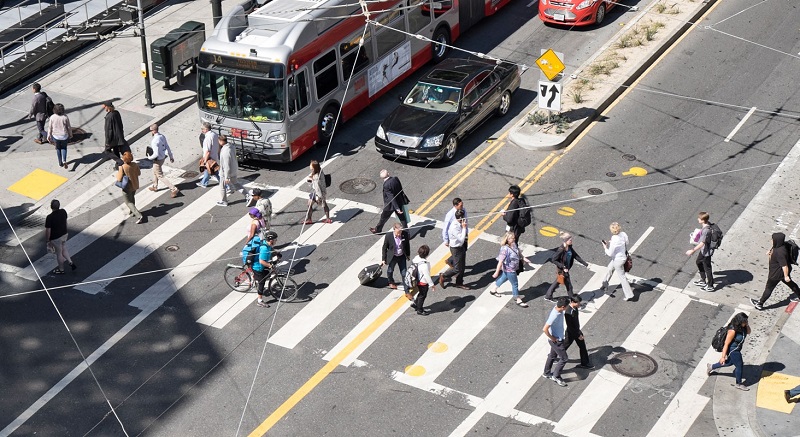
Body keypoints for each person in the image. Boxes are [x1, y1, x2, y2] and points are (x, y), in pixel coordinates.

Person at [749, 232, 800, 310]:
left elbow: (784, 265)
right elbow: (774, 250)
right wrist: (770, 252)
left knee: (769, 288)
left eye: (772, 239)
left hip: (776, 274)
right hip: (780, 273)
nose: (771, 240)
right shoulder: (780, 246)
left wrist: (786, 276)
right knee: (791, 284)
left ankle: (760, 303)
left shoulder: (780, 252)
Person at [707, 312, 751, 391]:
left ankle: (711, 366)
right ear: (740, 321)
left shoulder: (743, 327)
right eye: (745, 321)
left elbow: (749, 332)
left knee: (730, 362)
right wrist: (723, 357)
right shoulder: (732, 331)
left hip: (737, 348)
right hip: (733, 350)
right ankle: (739, 383)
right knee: (739, 365)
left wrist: (747, 325)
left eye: (746, 321)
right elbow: (726, 344)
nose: (746, 322)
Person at [488, 231, 532, 307]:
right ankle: (517, 299)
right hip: (510, 269)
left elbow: (518, 252)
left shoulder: (513, 244)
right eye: (512, 238)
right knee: (515, 284)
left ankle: (493, 290)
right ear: (507, 239)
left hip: (512, 268)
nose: (514, 239)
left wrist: (524, 258)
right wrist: (496, 272)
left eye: (514, 238)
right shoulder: (504, 249)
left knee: (503, 278)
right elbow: (500, 261)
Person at [545, 232, 589, 301]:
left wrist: (585, 264)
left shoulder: (569, 248)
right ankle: (573, 300)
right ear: (565, 241)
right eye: (570, 240)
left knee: (558, 281)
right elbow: (554, 260)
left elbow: (575, 256)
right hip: (563, 270)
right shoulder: (561, 250)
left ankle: (548, 296)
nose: (571, 240)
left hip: (566, 269)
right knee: (569, 286)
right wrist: (563, 267)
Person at [602, 222, 634, 301]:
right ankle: (604, 284)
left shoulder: (614, 239)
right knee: (610, 268)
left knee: (622, 277)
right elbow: (627, 242)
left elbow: (610, 253)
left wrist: (605, 247)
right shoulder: (623, 234)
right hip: (622, 257)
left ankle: (629, 294)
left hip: (617, 260)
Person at [370, 169, 409, 234]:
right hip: (399, 201)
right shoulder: (395, 178)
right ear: (388, 174)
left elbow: (391, 198)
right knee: (402, 218)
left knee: (383, 218)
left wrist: (397, 208)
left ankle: (378, 229)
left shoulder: (386, 185)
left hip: (390, 205)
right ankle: (407, 233)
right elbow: (400, 189)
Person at [146, 123, 179, 198]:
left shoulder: (154, 141)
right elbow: (167, 146)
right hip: (163, 157)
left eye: (150, 130)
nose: (150, 132)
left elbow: (155, 154)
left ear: (154, 131)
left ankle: (173, 189)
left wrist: (149, 158)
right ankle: (155, 186)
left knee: (160, 175)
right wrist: (171, 156)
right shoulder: (162, 136)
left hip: (158, 159)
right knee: (155, 171)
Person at [542, 297, 570, 387]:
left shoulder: (558, 309)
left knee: (552, 355)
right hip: (556, 340)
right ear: (562, 307)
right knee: (564, 358)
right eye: (566, 307)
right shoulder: (555, 314)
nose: (566, 308)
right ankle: (556, 376)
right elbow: (545, 329)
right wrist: (553, 338)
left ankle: (546, 373)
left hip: (556, 339)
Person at [439, 209, 469, 290]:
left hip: (461, 246)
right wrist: (464, 228)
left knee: (462, 266)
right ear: (459, 218)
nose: (464, 220)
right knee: (457, 269)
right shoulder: (454, 227)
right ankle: (443, 276)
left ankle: (459, 282)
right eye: (463, 218)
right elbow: (461, 239)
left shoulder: (459, 223)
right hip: (456, 248)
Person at [45, 199, 76, 274]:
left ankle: (61, 269)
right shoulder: (63, 211)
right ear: (59, 206)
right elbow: (65, 222)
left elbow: (48, 230)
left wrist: (48, 240)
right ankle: (70, 261)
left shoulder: (50, 217)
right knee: (64, 248)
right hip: (64, 234)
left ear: (51, 207)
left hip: (56, 238)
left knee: (59, 253)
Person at [686, 212, 715, 291]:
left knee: (707, 268)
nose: (697, 219)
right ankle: (703, 280)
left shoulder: (706, 231)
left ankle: (710, 285)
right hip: (704, 250)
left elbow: (702, 243)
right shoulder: (706, 225)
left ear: (702, 220)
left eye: (699, 218)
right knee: (698, 262)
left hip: (706, 252)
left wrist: (693, 250)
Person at [565, 296, 594, 369]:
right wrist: (578, 335)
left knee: (582, 346)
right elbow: (570, 326)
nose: (579, 304)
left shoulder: (575, 308)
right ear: (572, 302)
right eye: (578, 303)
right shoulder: (568, 312)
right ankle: (553, 355)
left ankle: (584, 363)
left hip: (576, 330)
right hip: (571, 332)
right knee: (565, 345)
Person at [217, 135, 245, 207]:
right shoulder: (231, 146)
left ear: (221, 141)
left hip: (225, 173)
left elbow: (226, 166)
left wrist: (226, 177)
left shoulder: (225, 151)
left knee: (222, 187)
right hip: (234, 169)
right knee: (236, 184)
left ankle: (224, 201)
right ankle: (248, 195)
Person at [253, 231, 278, 308]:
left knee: (267, 273)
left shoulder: (267, 244)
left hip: (261, 265)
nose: (276, 241)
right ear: (271, 240)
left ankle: (255, 278)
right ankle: (259, 301)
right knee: (262, 282)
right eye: (275, 239)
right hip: (257, 267)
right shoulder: (264, 248)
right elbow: (261, 261)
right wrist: (270, 266)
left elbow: (271, 249)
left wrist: (277, 254)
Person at [117, 151, 143, 224]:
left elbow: (119, 178)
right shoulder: (135, 164)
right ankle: (132, 212)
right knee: (132, 198)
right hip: (135, 185)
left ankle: (139, 215)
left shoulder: (123, 167)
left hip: (127, 186)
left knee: (128, 202)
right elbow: (139, 173)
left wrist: (119, 168)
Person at [382, 223, 410, 289]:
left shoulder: (405, 234)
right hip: (393, 256)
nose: (399, 234)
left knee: (404, 273)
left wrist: (408, 254)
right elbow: (384, 247)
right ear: (394, 229)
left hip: (401, 256)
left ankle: (406, 287)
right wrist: (383, 259)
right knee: (390, 271)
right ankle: (391, 282)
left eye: (400, 232)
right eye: (398, 233)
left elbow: (407, 245)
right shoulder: (388, 236)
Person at [411, 245, 435, 316]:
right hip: (423, 282)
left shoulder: (416, 258)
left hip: (416, 279)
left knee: (420, 293)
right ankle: (420, 310)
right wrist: (432, 285)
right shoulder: (425, 265)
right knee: (422, 295)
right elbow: (427, 276)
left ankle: (416, 303)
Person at [47, 103, 73, 170]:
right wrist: (70, 134)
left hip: (56, 136)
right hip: (64, 136)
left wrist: (48, 136)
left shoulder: (52, 117)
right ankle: (64, 160)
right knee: (64, 148)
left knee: (58, 149)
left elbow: (50, 127)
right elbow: (69, 127)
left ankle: (60, 162)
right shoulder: (65, 117)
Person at [102, 101, 128, 166]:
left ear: (107, 107)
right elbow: (120, 124)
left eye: (105, 106)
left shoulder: (109, 117)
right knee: (116, 149)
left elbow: (109, 130)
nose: (104, 108)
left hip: (112, 138)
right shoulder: (116, 113)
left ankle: (119, 161)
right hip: (118, 136)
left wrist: (107, 141)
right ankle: (118, 164)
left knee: (107, 151)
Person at [197, 122, 220, 188]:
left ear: (206, 129)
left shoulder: (207, 138)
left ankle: (227, 186)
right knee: (211, 171)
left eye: (202, 129)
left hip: (210, 158)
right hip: (214, 156)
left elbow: (208, 151)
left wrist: (205, 161)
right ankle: (204, 183)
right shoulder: (214, 134)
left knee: (213, 171)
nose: (202, 131)